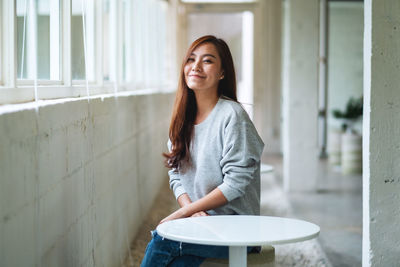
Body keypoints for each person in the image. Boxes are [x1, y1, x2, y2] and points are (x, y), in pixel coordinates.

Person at [140, 35, 264, 267]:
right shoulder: (182, 118)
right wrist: (189, 211)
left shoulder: (232, 116)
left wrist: (179, 215)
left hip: (238, 229)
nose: (195, 66)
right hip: (201, 224)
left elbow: (235, 183)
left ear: (222, 73)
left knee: (162, 240)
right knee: (178, 263)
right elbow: (175, 175)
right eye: (190, 59)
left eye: (207, 61)